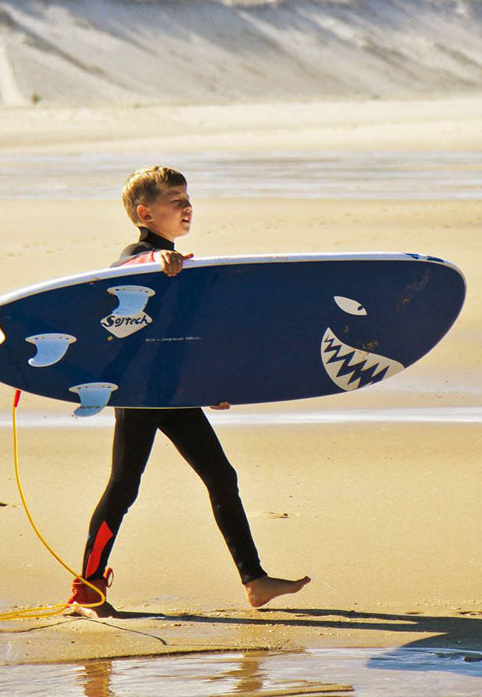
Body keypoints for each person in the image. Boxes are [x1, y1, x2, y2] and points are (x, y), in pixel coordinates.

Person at [67, 166, 310, 618]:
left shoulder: (179, 267)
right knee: (124, 486)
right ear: (146, 213)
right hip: (140, 391)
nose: (187, 206)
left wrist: (207, 383)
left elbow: (181, 339)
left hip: (174, 390)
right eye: (175, 200)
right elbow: (121, 272)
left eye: (188, 198)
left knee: (222, 477)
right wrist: (154, 264)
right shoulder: (141, 256)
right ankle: (87, 590)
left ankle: (254, 581)